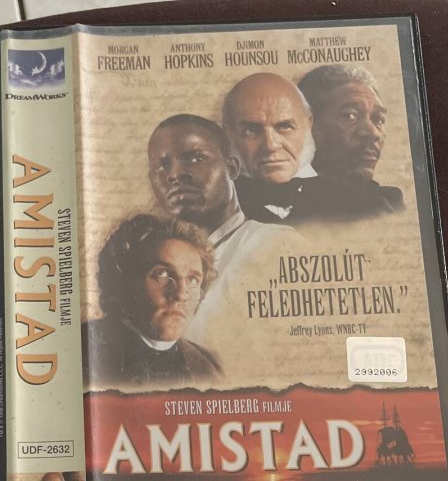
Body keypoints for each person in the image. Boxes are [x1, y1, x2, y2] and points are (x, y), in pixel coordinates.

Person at [148, 115, 295, 323]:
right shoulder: (150, 265)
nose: (176, 174)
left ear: (231, 168)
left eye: (195, 159)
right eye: (162, 166)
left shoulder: (275, 244)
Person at [83, 213, 221, 389]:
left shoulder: (208, 367)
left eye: (193, 280)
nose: (181, 294)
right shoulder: (87, 349)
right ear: (124, 280)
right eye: (162, 274)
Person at [222, 73, 344, 224]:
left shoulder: (357, 200)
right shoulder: (215, 209)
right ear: (228, 135)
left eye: (285, 126)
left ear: (308, 125)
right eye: (251, 130)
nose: (271, 145)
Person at [298, 64, 404, 216]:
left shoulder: (388, 202)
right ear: (308, 126)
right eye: (350, 116)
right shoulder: (290, 210)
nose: (373, 133)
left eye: (378, 119)